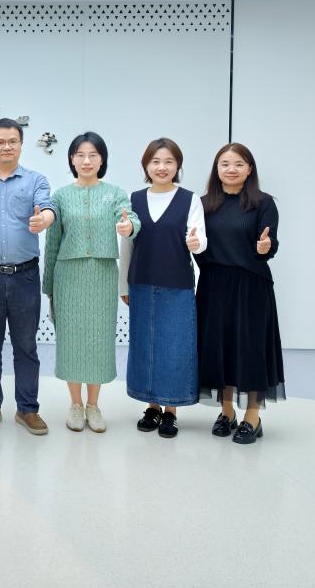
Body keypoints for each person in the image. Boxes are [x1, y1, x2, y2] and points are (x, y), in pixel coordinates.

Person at [43, 131, 138, 434]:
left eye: (93, 155)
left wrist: (128, 226)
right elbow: (52, 243)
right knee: (71, 339)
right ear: (71, 160)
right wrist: (49, 286)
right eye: (80, 155)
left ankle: (94, 405)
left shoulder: (115, 193)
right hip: (68, 276)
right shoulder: (60, 196)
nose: (86, 161)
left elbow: (130, 218)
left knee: (98, 339)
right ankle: (75, 404)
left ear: (102, 160)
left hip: (102, 274)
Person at [0, 118, 54, 435]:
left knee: (26, 346)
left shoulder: (35, 180)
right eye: (0, 141)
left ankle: (27, 409)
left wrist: (44, 220)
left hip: (24, 276)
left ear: (21, 144)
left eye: (12, 141)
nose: (6, 146)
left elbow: (47, 208)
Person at [195, 142, 284, 444]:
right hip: (213, 284)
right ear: (216, 169)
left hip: (251, 285)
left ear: (249, 170)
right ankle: (227, 412)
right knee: (219, 348)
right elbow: (197, 245)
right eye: (225, 164)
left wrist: (266, 247)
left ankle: (252, 417)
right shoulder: (203, 204)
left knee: (250, 349)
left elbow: (269, 244)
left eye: (239, 164)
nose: (231, 169)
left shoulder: (263, 203)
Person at [119, 138, 206, 439]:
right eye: (155, 161)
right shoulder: (134, 199)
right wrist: (123, 284)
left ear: (177, 165)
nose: (162, 167)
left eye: (168, 161)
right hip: (141, 282)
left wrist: (195, 243)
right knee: (145, 345)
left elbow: (200, 238)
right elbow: (127, 245)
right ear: (146, 165)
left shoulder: (190, 200)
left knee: (175, 348)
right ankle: (152, 406)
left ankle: (171, 411)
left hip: (177, 285)